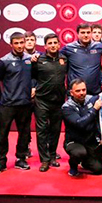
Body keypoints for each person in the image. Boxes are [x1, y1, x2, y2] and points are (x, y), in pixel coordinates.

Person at [0, 32, 33, 174]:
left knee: (24, 134)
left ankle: (21, 159)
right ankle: (1, 162)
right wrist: (0, 98)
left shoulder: (29, 59)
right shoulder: (3, 61)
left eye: (22, 42)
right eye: (17, 43)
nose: (20, 46)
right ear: (11, 44)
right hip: (7, 105)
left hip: (25, 104)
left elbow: (37, 77)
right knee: (2, 134)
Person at [31, 33, 67, 172]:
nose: (53, 45)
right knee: (41, 131)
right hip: (42, 100)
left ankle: (52, 156)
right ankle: (44, 160)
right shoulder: (38, 60)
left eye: (55, 43)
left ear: (59, 44)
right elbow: (31, 77)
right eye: (50, 43)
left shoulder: (64, 59)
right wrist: (32, 88)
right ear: (45, 46)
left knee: (55, 130)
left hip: (58, 101)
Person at [62, 78, 102, 177]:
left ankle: (84, 162)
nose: (81, 93)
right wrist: (94, 110)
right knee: (79, 153)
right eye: (78, 91)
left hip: (90, 141)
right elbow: (80, 124)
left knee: (99, 169)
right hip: (74, 142)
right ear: (71, 93)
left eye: (83, 90)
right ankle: (73, 165)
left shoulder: (92, 99)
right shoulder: (67, 107)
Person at [61, 22, 102, 95]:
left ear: (91, 33)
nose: (86, 35)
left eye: (88, 32)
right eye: (83, 32)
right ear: (78, 34)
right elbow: (54, 56)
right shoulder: (69, 48)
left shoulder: (100, 46)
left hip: (95, 93)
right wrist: (60, 59)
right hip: (75, 94)